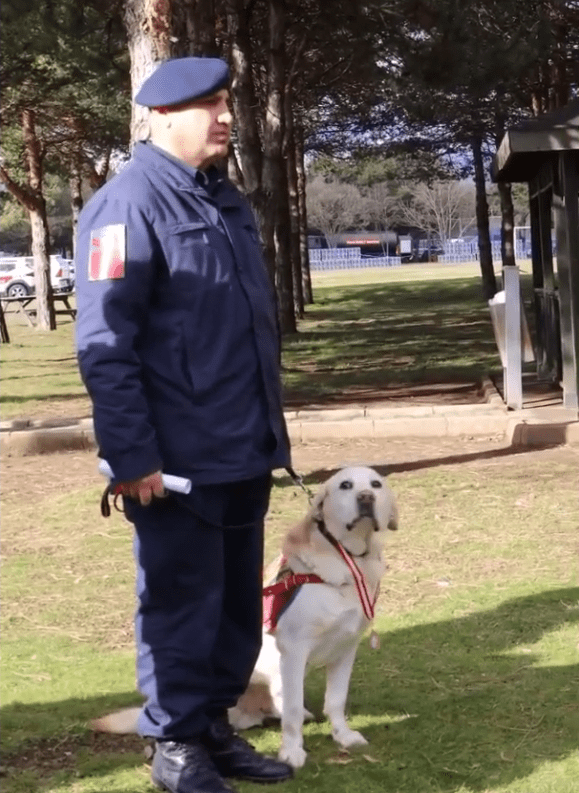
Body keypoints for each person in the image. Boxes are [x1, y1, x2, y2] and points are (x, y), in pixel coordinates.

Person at [75, 56, 293, 793]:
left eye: (228, 100)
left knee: (234, 609)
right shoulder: (127, 204)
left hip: (241, 446)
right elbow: (106, 348)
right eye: (208, 104)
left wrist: (268, 436)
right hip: (172, 463)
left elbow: (242, 333)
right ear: (161, 118)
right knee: (179, 605)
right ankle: (173, 747)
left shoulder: (224, 201)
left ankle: (212, 729)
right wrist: (131, 455)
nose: (225, 115)